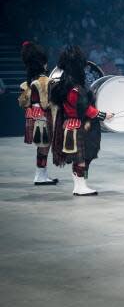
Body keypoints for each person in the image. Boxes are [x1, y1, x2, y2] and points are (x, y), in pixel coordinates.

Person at [51, 45, 112, 196]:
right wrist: (104, 115)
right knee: (81, 159)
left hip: (73, 124)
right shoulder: (74, 89)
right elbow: (86, 110)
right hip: (79, 126)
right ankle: (80, 186)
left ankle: (81, 184)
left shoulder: (67, 85)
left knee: (82, 158)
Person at [18, 41, 58, 185]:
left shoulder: (29, 81)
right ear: (41, 63)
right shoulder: (44, 81)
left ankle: (42, 174)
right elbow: (46, 103)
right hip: (42, 115)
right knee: (44, 147)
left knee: (42, 147)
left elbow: (23, 103)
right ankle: (40, 175)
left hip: (33, 114)